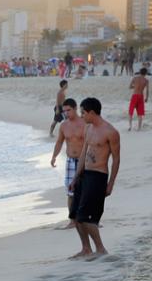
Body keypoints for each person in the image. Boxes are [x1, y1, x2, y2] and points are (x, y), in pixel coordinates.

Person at [68, 97, 120, 259]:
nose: (81, 116)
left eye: (83, 112)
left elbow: (116, 159)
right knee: (75, 215)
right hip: (84, 175)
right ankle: (86, 248)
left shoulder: (110, 132)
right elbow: (84, 153)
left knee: (87, 216)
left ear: (91, 112)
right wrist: (76, 177)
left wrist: (111, 184)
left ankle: (101, 249)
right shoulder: (88, 129)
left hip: (98, 176)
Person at [50, 98, 86, 226]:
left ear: (75, 108)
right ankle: (72, 220)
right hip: (70, 161)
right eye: (64, 111)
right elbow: (59, 142)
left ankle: (90, 220)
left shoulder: (84, 123)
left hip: (85, 161)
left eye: (68, 110)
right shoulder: (64, 125)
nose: (66, 113)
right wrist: (54, 156)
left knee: (87, 191)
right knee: (71, 192)